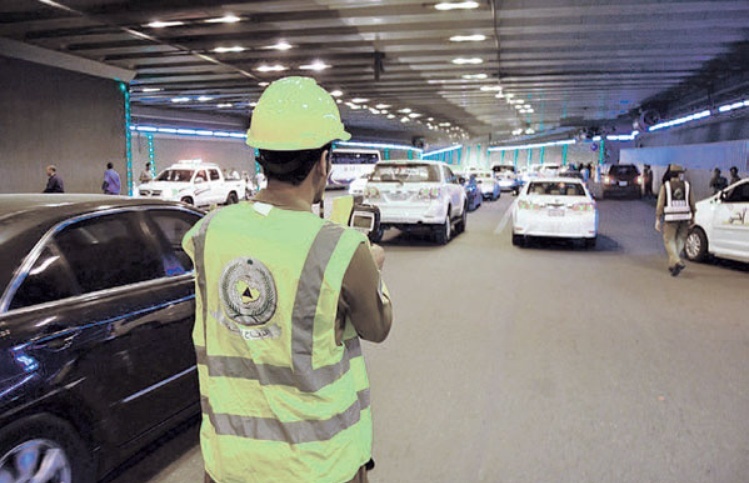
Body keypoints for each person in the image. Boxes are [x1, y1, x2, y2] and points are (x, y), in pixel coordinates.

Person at [182, 76, 393, 483]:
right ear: (323, 162)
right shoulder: (342, 248)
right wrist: (373, 266)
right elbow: (377, 327)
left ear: (260, 157)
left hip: (230, 465)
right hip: (317, 467)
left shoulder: (207, 232)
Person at [655, 164, 696, 277]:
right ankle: (673, 265)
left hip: (671, 218)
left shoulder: (666, 186)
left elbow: (660, 203)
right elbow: (692, 202)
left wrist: (658, 218)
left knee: (669, 240)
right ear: (680, 174)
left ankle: (677, 261)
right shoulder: (687, 186)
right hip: (684, 217)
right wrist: (693, 215)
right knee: (681, 239)